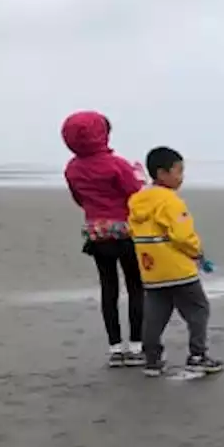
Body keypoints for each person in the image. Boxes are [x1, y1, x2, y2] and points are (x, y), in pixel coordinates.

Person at [61, 110, 148, 367]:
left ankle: (114, 348)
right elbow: (134, 194)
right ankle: (136, 346)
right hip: (125, 231)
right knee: (135, 286)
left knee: (108, 288)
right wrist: (139, 177)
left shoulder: (72, 168)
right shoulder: (116, 164)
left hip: (97, 232)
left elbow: (79, 199)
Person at [128, 146, 223, 377]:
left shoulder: (137, 201)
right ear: (162, 173)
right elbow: (182, 235)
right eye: (178, 171)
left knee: (155, 313)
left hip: (151, 269)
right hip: (178, 268)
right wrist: (197, 253)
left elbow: (132, 230)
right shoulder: (171, 202)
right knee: (198, 309)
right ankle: (197, 356)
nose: (181, 177)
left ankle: (152, 359)